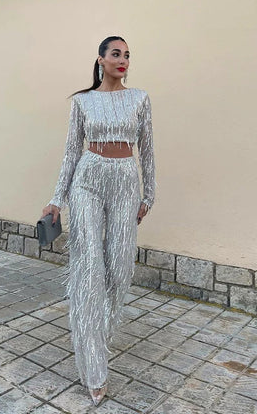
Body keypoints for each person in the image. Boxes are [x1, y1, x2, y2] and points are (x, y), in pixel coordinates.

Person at [40, 35, 155, 406]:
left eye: (127, 55)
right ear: (101, 59)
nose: (123, 60)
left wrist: (149, 195)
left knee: (119, 271)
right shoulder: (82, 101)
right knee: (90, 269)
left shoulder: (139, 98)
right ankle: (94, 367)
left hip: (125, 183)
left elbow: (148, 150)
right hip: (87, 180)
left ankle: (97, 337)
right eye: (116, 54)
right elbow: (70, 152)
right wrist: (57, 199)